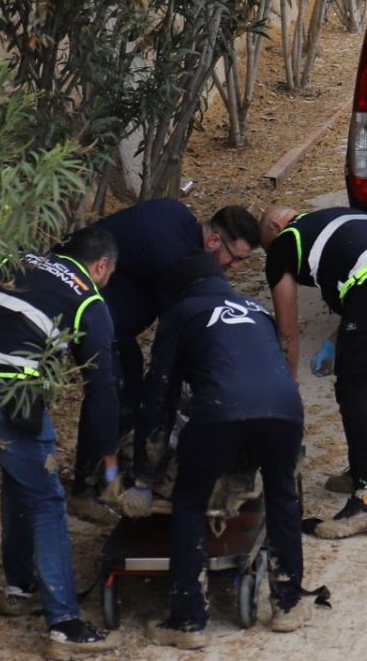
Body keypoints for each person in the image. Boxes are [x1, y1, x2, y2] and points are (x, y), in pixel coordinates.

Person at [0, 225, 121, 660]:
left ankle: (19, 587)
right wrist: (106, 464)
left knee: (19, 475)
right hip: (8, 393)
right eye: (110, 274)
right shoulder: (88, 299)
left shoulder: (18, 260)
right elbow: (103, 387)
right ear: (101, 266)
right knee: (47, 498)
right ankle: (65, 625)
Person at [137, 251, 309, 649]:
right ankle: (287, 602)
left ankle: (188, 619)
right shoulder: (257, 308)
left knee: (190, 501)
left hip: (220, 410)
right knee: (282, 495)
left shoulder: (181, 313)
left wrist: (146, 471)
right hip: (284, 409)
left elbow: (159, 395)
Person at [63, 199, 261, 521]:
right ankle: (84, 490)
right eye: (234, 258)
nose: (234, 267)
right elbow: (173, 348)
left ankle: (109, 470)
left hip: (115, 319)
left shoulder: (180, 215)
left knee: (130, 395)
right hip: (86, 307)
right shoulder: (176, 261)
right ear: (213, 241)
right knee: (109, 394)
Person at [260, 205, 367, 539]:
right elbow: (362, 290)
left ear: (276, 224)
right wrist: (334, 343)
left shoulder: (286, 240)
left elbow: (288, 331)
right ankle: (365, 471)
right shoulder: (336, 219)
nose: (273, 256)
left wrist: (288, 382)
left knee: (356, 388)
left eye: (267, 246)